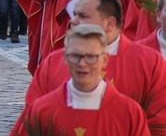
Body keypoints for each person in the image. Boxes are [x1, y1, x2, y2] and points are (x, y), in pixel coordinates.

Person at [16, 0, 166, 135]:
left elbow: (159, 124)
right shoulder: (53, 62)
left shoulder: (150, 62)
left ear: (110, 24)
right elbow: (33, 119)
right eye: (74, 15)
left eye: (82, 16)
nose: (73, 21)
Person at [16, 24, 149, 136]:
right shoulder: (42, 110)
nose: (82, 64)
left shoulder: (128, 112)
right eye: (75, 56)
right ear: (65, 58)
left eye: (91, 56)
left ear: (105, 59)